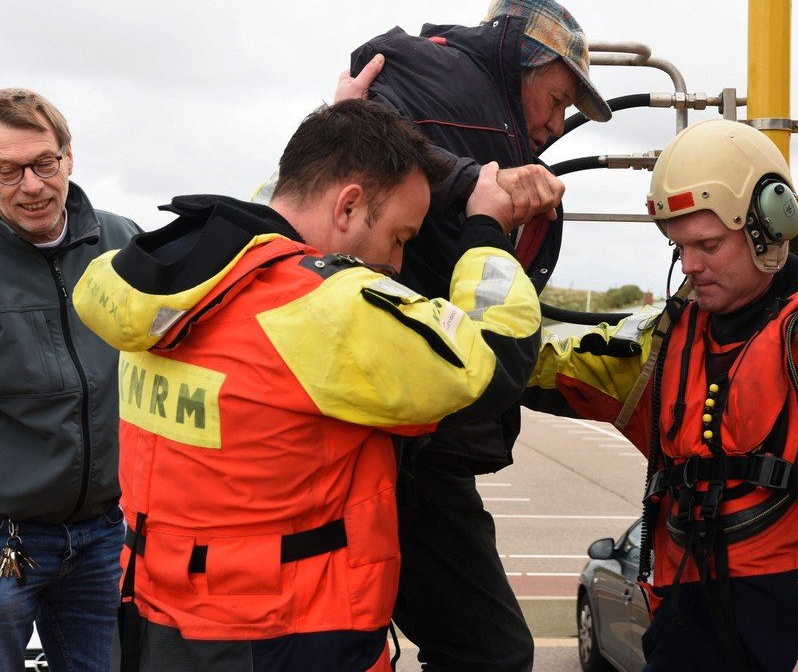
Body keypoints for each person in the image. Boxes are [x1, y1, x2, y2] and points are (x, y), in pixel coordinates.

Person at [71, 100, 542, 671]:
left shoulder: (174, 278)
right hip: (286, 634)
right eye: (400, 237)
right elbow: (493, 358)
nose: (396, 263)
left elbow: (285, 206)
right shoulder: (326, 310)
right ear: (349, 205)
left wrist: (339, 120)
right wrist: (486, 229)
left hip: (157, 619)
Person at [525, 119, 798, 671]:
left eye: (708, 244)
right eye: (679, 246)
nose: (691, 265)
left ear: (770, 225)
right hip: (690, 630)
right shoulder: (666, 336)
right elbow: (544, 361)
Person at [337, 0, 611, 671]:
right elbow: (386, 123)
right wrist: (476, 189)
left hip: (415, 432)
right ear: (517, 56)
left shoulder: (461, 105)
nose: (554, 126)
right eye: (556, 100)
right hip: (413, 433)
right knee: (487, 648)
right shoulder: (439, 84)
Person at [0, 88, 140, 671]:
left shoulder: (123, 242)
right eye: (7, 171)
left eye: (43, 163)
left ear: (69, 158)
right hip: (8, 544)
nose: (31, 185)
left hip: (105, 536)